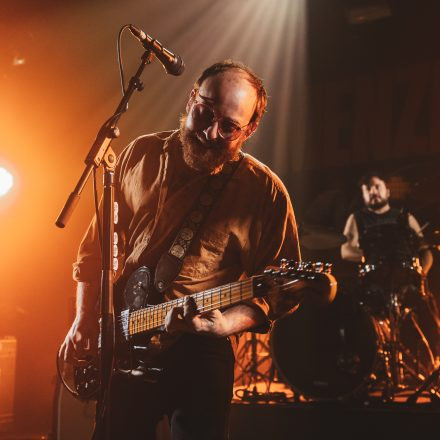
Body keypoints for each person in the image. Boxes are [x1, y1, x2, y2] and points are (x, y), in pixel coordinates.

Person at [59, 60, 301, 439]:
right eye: (204, 113)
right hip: (123, 336)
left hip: (200, 347)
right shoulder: (139, 155)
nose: (209, 131)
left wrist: (226, 324)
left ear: (250, 129)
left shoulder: (264, 192)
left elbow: (279, 293)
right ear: (191, 99)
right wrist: (83, 318)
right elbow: (94, 254)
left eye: (229, 127)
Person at [341, 172, 439, 367]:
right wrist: (367, 253)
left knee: (427, 310)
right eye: (368, 189)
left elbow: (424, 249)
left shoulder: (404, 217)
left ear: (387, 190)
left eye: (377, 187)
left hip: (406, 280)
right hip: (374, 283)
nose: (373, 192)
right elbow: (345, 250)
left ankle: (432, 363)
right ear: (363, 194)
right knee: (353, 314)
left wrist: (422, 275)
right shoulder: (357, 218)